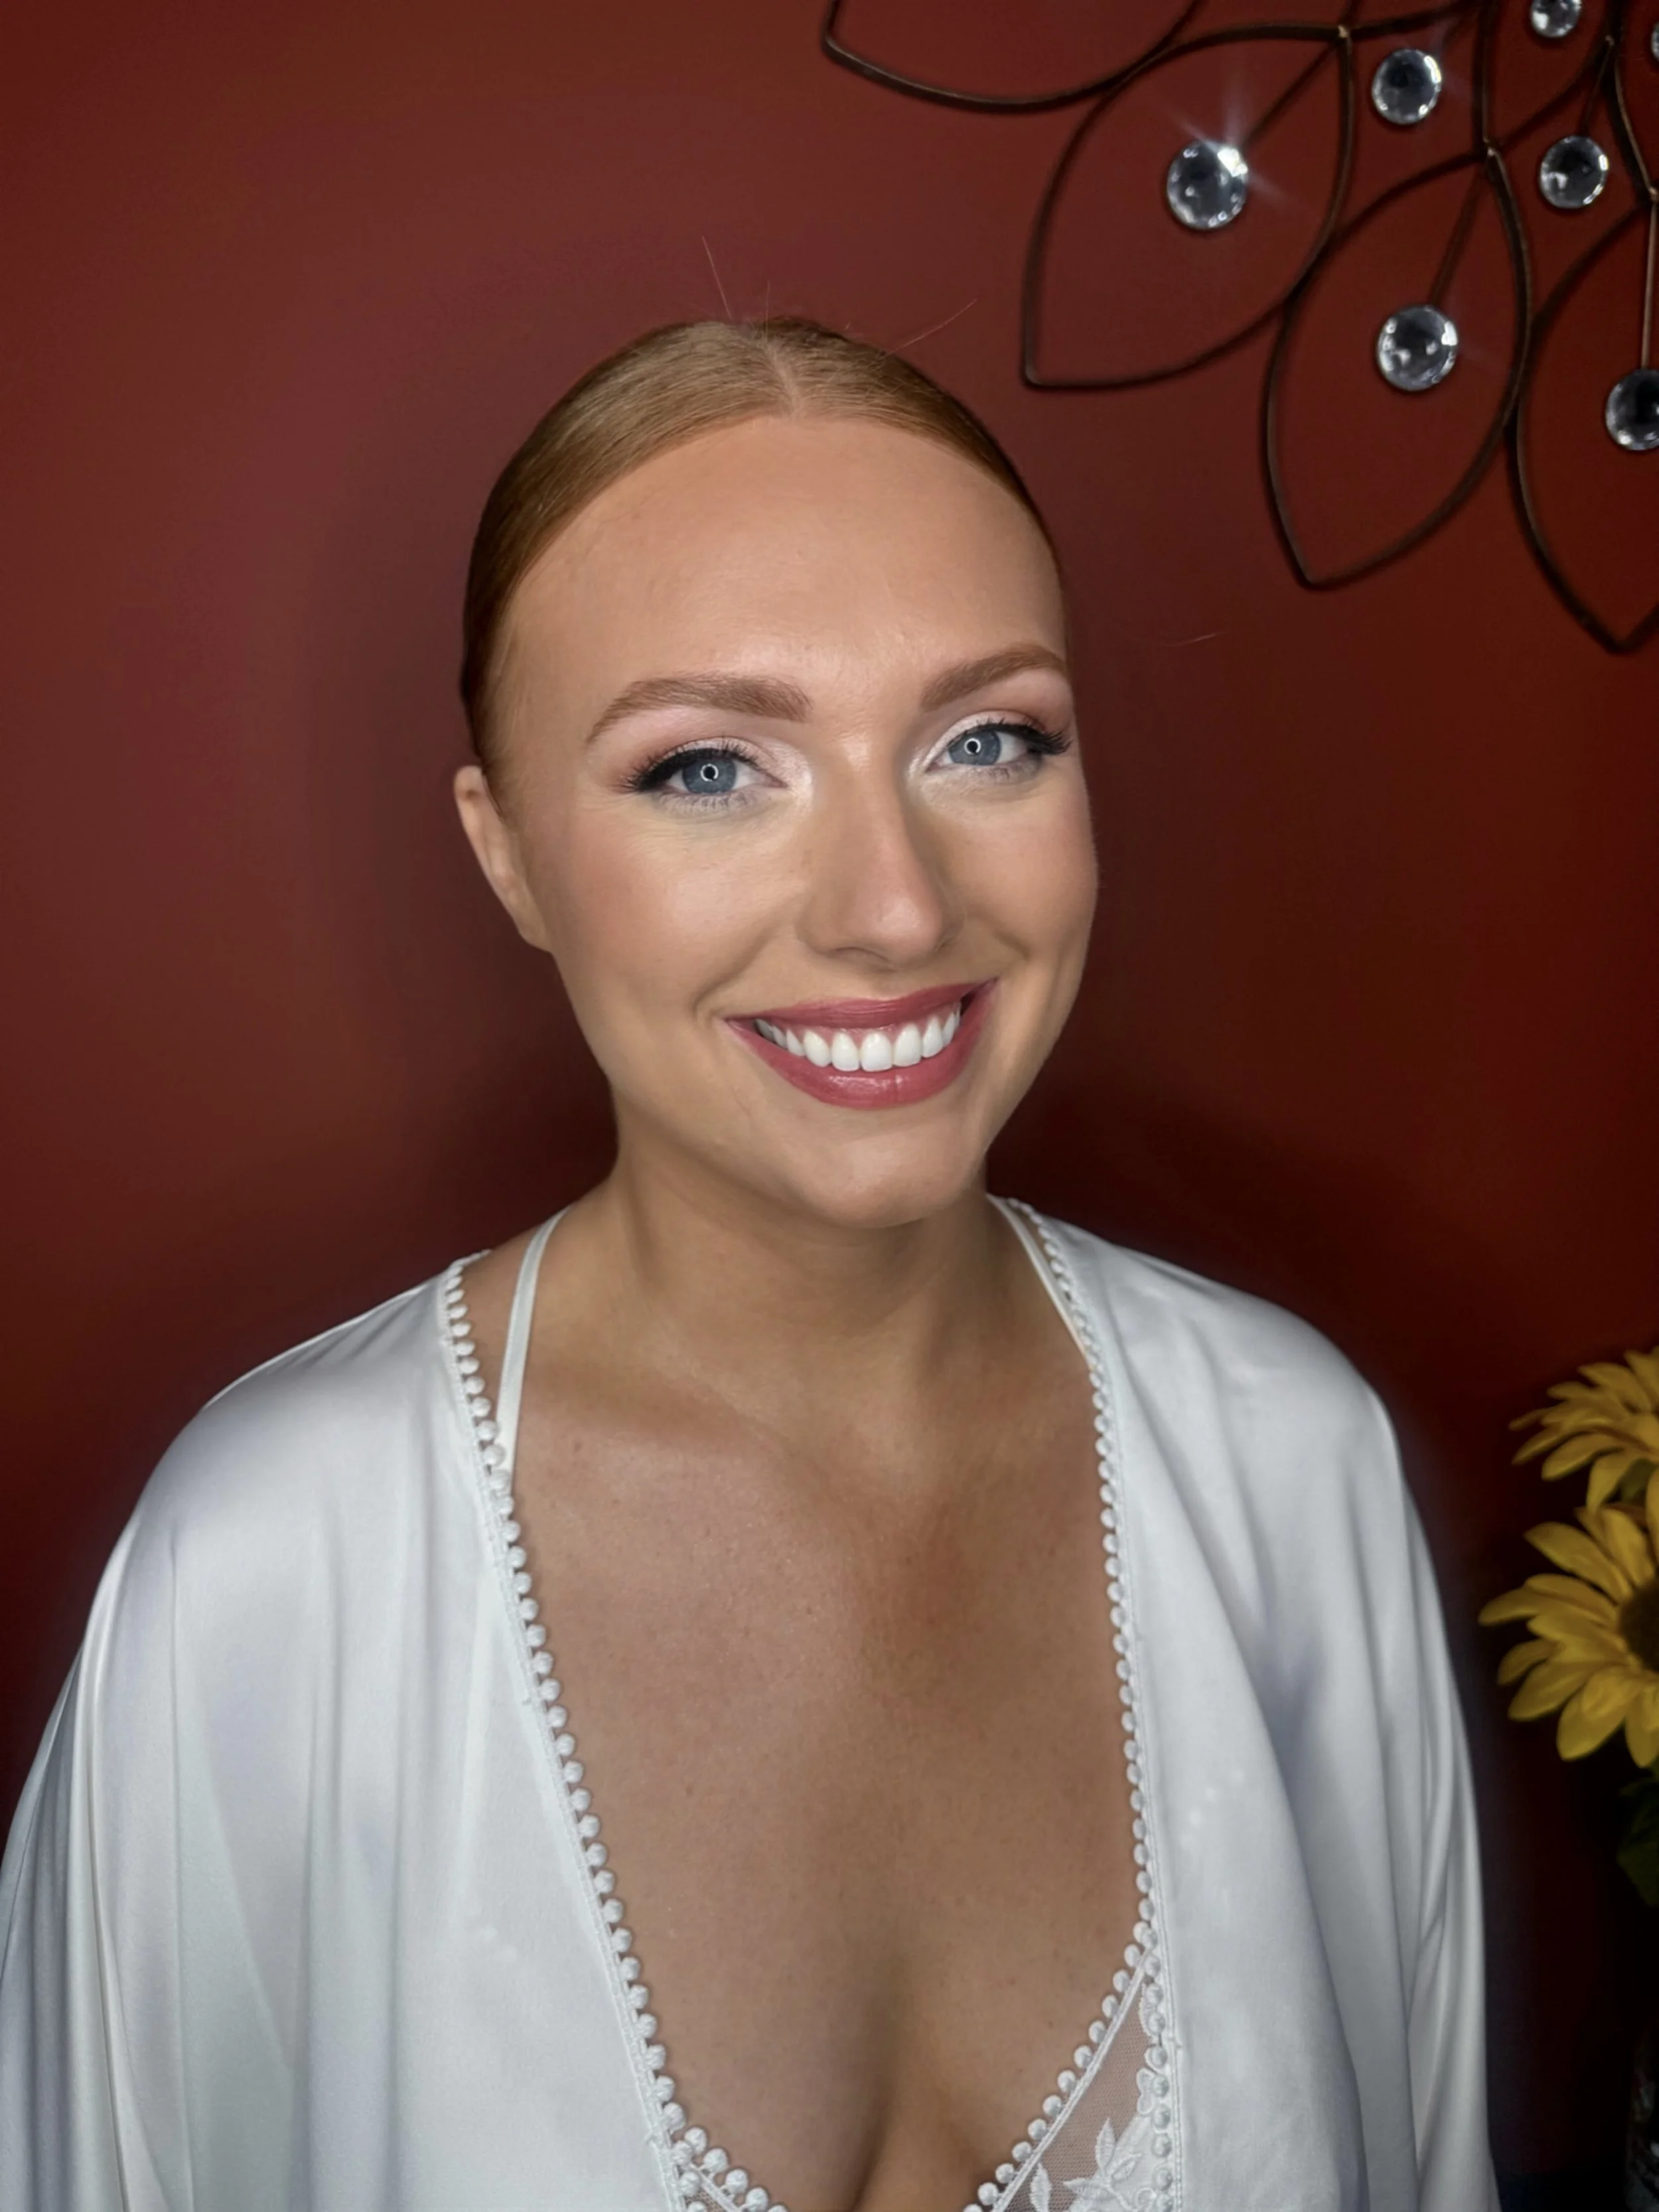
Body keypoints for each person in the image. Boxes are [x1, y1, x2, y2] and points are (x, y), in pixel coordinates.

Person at [0, 317, 1496, 2212]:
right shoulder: (272, 1570)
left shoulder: (1293, 1468)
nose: (894, 905)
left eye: (988, 740)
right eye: (709, 767)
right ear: (510, 855)